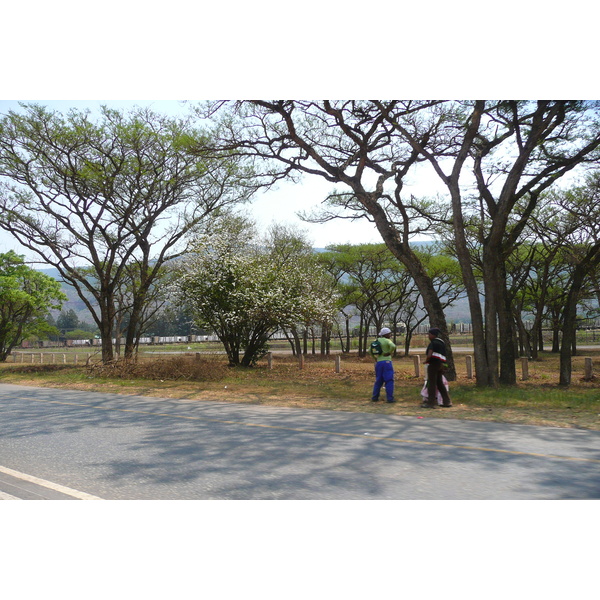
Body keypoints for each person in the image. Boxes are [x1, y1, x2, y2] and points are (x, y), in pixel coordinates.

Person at [422, 327, 452, 408]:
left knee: (432, 383)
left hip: (433, 364)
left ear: (433, 335)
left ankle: (431, 403)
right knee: (440, 383)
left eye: (429, 334)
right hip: (440, 365)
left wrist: (426, 360)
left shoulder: (433, 343)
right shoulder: (442, 343)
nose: (428, 336)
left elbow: (430, 354)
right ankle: (447, 402)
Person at [370, 327, 396, 403]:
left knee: (378, 380)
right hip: (387, 362)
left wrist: (375, 358)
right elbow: (393, 346)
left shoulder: (376, 341)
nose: (390, 335)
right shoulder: (387, 341)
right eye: (389, 334)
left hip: (379, 363)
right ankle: (390, 398)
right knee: (389, 380)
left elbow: (369, 350)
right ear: (386, 334)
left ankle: (375, 397)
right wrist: (389, 352)